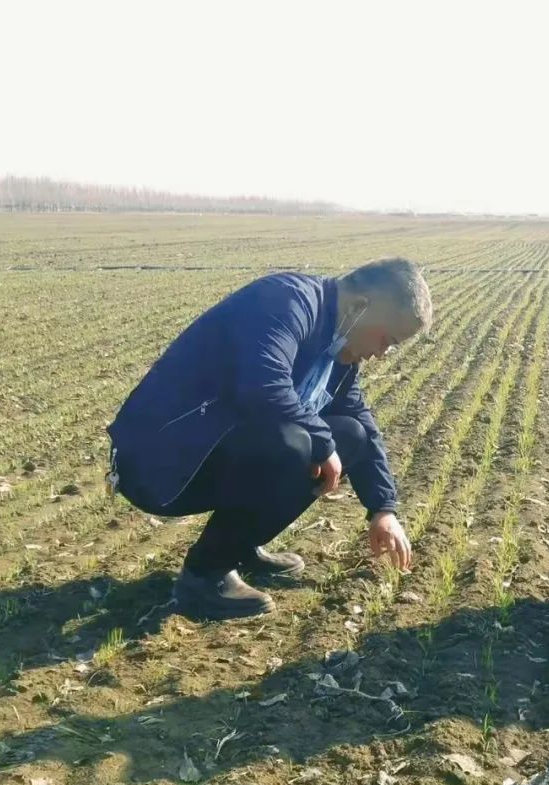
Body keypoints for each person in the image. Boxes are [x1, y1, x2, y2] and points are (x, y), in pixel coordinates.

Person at [107, 258, 432, 620]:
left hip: (209, 451)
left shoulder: (337, 352)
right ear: (360, 307)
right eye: (387, 339)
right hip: (160, 460)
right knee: (292, 444)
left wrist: (383, 509)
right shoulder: (288, 301)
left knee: (350, 436)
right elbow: (262, 385)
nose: (382, 354)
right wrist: (323, 442)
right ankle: (204, 577)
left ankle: (237, 545)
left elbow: (361, 424)